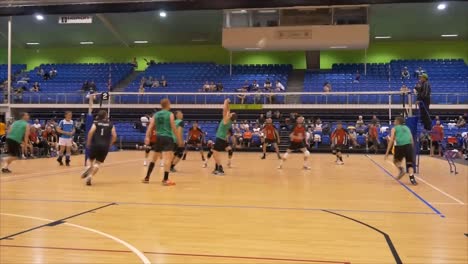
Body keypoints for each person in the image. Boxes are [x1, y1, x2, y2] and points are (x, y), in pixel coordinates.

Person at [142, 98, 177, 185]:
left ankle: (147, 177)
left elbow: (150, 126)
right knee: (168, 159)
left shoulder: (156, 115)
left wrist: (147, 137)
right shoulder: (170, 114)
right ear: (168, 104)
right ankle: (165, 179)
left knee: (154, 158)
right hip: (167, 137)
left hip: (158, 138)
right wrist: (178, 138)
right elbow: (173, 126)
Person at [81, 110, 117, 186]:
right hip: (105, 146)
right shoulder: (111, 124)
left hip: (95, 144)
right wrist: (110, 144)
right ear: (105, 116)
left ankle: (88, 167)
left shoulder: (96, 123)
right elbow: (114, 136)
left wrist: (88, 142)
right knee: (98, 163)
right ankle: (90, 176)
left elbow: (90, 132)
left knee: (89, 159)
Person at [385, 116, 417, 185]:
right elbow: (411, 139)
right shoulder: (407, 128)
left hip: (400, 146)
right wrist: (412, 149)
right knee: (410, 164)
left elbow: (391, 140)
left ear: (398, 122)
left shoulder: (394, 128)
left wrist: (387, 152)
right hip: (408, 146)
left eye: (395, 121)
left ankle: (401, 169)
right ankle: (412, 179)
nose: (394, 122)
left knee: (395, 161)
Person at [212, 98, 237, 176]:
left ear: (230, 116)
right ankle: (216, 168)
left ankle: (220, 169)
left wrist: (225, 102)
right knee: (216, 153)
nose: (229, 113)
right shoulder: (229, 120)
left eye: (231, 113)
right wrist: (228, 104)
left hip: (220, 138)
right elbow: (228, 111)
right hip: (222, 139)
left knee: (215, 153)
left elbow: (224, 110)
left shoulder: (226, 120)